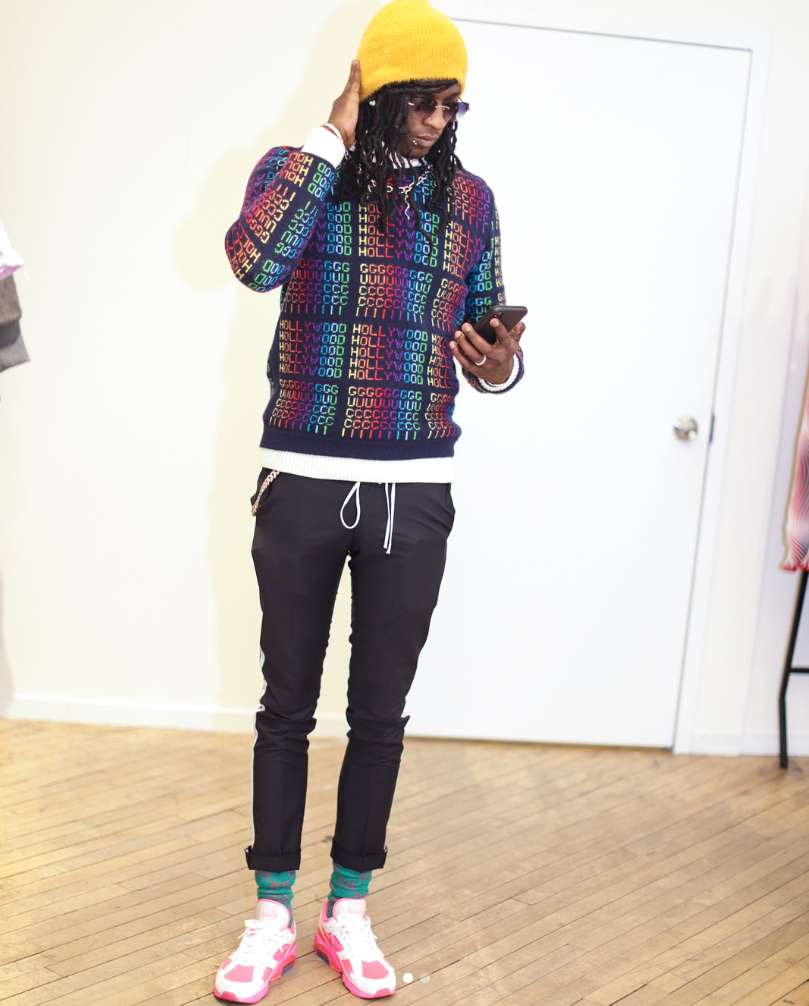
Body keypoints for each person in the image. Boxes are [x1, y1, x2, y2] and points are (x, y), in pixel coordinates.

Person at [214, 1, 525, 1001]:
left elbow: (486, 341)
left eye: (451, 104)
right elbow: (255, 261)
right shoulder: (297, 172)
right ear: (377, 94)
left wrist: (499, 365)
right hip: (300, 477)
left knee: (379, 713)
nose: (436, 121)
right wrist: (331, 132)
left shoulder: (470, 202)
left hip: (413, 486)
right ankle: (271, 914)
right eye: (420, 100)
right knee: (285, 706)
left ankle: (346, 911)